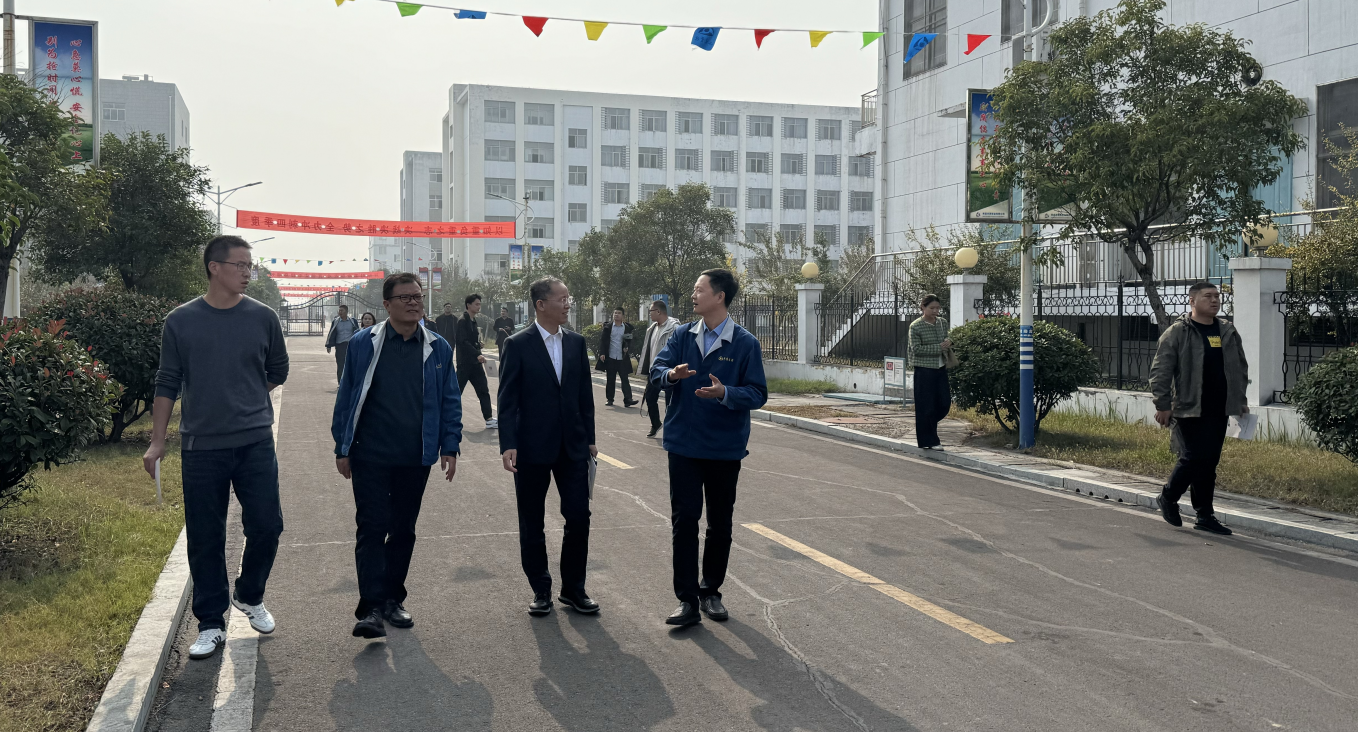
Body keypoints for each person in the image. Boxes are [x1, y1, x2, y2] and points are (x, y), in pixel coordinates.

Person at [142, 235, 288, 660]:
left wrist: (245, 397)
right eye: (240, 265)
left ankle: (249, 594)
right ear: (214, 267)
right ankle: (210, 622)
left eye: (250, 266)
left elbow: (278, 369)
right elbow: (167, 381)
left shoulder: (263, 317)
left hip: (255, 441)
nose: (247, 273)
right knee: (206, 536)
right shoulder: (181, 320)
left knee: (267, 525)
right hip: (202, 447)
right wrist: (157, 441)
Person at [331, 273, 463, 638]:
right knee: (372, 527)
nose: (414, 302)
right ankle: (371, 608)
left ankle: (393, 599)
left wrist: (450, 445)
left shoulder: (437, 347)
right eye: (405, 297)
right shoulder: (364, 343)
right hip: (370, 454)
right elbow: (347, 396)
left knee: (403, 529)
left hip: (415, 455)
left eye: (417, 296)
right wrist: (342, 447)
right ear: (387, 304)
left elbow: (450, 399)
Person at [650, 269, 768, 627]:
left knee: (720, 523)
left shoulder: (744, 343)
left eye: (699, 289)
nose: (693, 295)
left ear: (719, 296)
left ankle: (710, 591)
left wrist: (725, 393)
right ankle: (686, 600)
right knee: (685, 521)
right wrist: (672, 375)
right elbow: (656, 370)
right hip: (683, 445)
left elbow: (758, 393)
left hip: (723, 448)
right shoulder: (682, 335)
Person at [498, 277, 598, 617]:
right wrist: (508, 443)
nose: (568, 304)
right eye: (562, 298)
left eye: (569, 298)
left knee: (579, 517)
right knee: (532, 521)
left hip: (572, 446)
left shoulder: (576, 342)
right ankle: (541, 590)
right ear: (541, 304)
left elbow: (584, 396)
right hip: (530, 447)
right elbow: (507, 399)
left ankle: (574, 589)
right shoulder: (517, 344)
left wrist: (590, 439)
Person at [1149, 281, 1249, 536]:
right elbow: (1161, 370)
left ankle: (1204, 515)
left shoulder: (1227, 330)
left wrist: (1240, 400)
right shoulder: (1177, 332)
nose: (1214, 300)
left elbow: (1239, 367)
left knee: (1209, 462)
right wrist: (1162, 404)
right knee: (1193, 456)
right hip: (1188, 406)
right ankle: (1168, 497)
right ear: (1192, 301)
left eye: (1217, 296)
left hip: (1219, 407)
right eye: (1208, 296)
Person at [908, 295, 952, 451]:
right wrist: (938, 347)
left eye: (937, 308)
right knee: (926, 406)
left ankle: (929, 428)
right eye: (932, 308)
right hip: (924, 369)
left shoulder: (942, 322)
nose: (935, 311)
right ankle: (929, 440)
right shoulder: (916, 326)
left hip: (941, 368)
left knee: (944, 403)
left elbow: (948, 337)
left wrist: (949, 341)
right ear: (923, 307)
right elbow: (916, 349)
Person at [637, 299, 680, 438]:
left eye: (651, 311)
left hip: (669, 371)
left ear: (658, 311)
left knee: (670, 402)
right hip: (655, 370)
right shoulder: (652, 328)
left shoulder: (674, 327)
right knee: (650, 398)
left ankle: (671, 430)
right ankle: (655, 424)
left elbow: (679, 350)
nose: (649, 313)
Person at [455, 293, 497, 429]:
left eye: (480, 304)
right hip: (465, 364)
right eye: (476, 304)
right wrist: (477, 354)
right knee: (456, 393)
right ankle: (448, 418)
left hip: (475, 364)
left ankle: (489, 419)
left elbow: (471, 341)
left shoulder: (473, 320)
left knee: (483, 390)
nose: (479, 307)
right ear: (469, 305)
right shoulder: (463, 321)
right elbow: (463, 341)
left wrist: (479, 345)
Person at [598, 308, 637, 407]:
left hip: (622, 358)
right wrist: (602, 353)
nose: (616, 315)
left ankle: (628, 399)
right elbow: (603, 341)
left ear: (623, 315)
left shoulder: (627, 328)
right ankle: (610, 399)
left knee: (625, 379)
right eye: (615, 313)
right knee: (610, 379)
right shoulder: (608, 327)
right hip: (611, 357)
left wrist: (627, 348)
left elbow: (631, 341)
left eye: (619, 313)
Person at [325, 305, 360, 382]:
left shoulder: (353, 321)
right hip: (340, 346)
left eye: (342, 310)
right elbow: (331, 333)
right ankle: (340, 383)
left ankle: (350, 382)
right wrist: (328, 346)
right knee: (340, 365)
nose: (340, 312)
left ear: (346, 312)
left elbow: (358, 332)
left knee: (351, 364)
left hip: (350, 346)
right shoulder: (335, 322)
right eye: (339, 310)